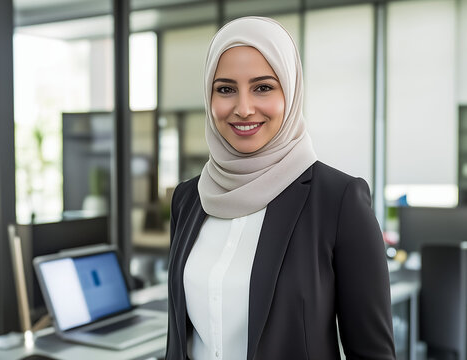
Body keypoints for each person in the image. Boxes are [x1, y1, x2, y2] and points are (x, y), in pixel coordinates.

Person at [166, 16, 395, 360]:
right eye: (225, 89)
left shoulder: (338, 200)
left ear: (291, 90)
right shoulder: (188, 198)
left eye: (263, 87)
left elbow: (373, 353)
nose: (243, 108)